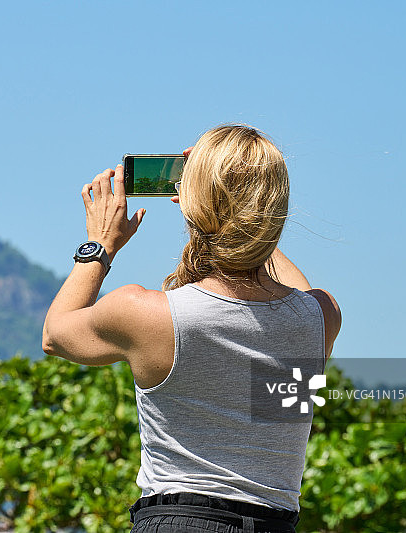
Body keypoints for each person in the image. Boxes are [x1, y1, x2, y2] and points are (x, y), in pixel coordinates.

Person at [42, 124, 342, 533]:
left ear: (195, 206)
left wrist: (101, 244)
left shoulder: (148, 313)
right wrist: (233, 204)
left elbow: (55, 334)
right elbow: (287, 284)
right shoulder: (320, 316)